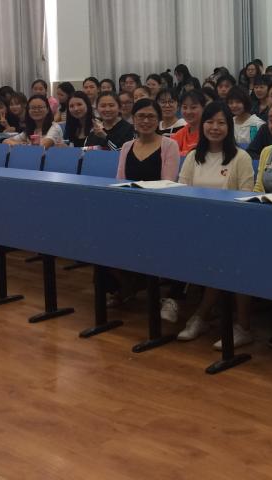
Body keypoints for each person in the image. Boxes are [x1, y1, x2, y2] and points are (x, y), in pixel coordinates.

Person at [177, 101, 256, 348]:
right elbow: (181, 192)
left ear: (229, 127)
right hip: (198, 228)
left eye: (221, 122)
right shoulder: (193, 156)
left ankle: (239, 325)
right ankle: (201, 315)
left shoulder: (240, 157)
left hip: (233, 229)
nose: (215, 127)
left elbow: (246, 198)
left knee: (231, 259)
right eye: (210, 122)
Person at [109, 98, 180, 308]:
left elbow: (168, 183)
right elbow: (120, 181)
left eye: (151, 116)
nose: (146, 121)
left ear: (158, 120)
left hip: (158, 211)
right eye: (141, 116)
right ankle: (127, 286)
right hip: (129, 210)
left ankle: (138, 287)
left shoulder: (169, 145)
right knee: (103, 236)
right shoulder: (126, 146)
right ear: (133, 119)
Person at [171, 90, 204, 156]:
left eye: (193, 107)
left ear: (203, 108)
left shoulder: (209, 133)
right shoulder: (178, 135)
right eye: (185, 107)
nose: (188, 112)